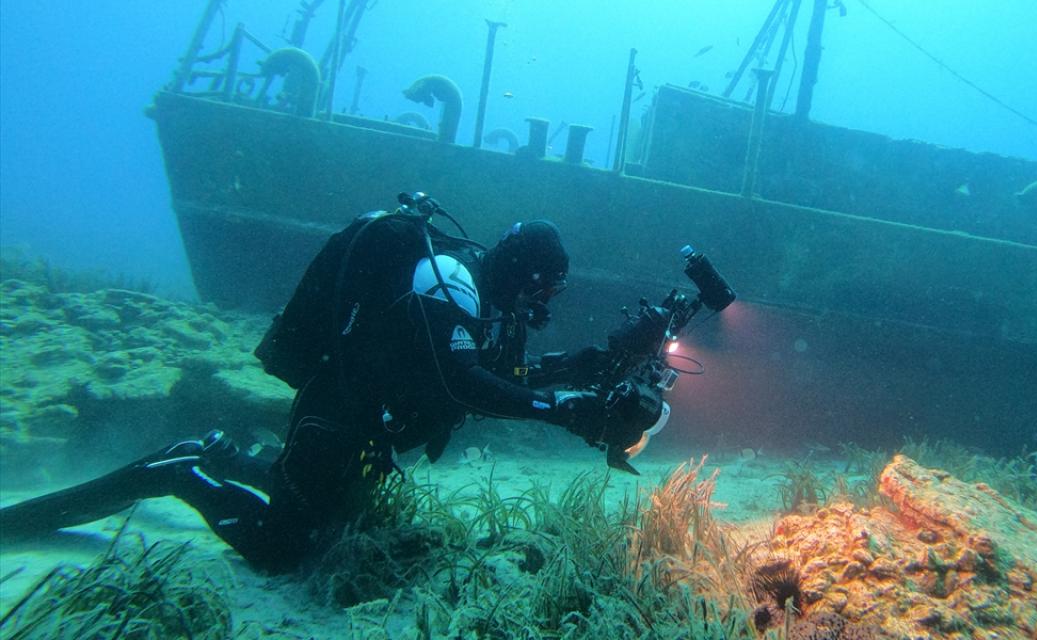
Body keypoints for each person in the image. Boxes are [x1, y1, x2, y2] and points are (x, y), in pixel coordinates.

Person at [0, 193, 655, 572]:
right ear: (520, 269)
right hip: (337, 418)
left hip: (363, 428)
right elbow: (466, 386)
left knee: (334, 523)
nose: (544, 303)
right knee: (285, 552)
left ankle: (229, 458)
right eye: (544, 286)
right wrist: (564, 410)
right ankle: (182, 472)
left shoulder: (485, 304)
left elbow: (499, 375)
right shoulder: (451, 282)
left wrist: (588, 363)